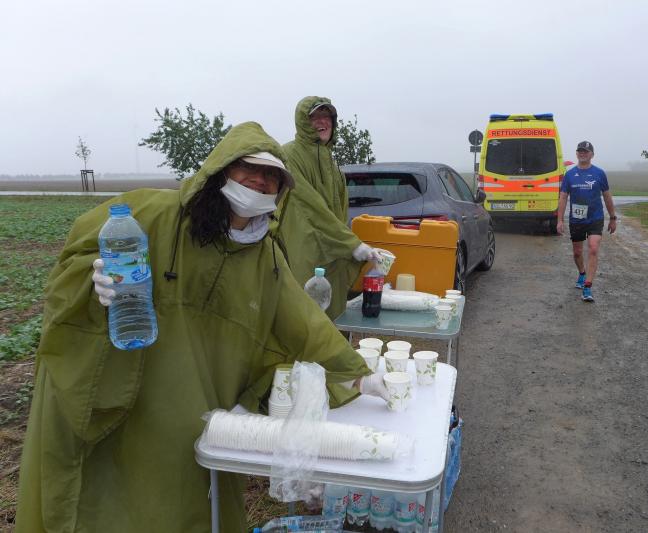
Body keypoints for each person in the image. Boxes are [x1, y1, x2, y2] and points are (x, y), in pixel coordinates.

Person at [16, 122, 390, 532]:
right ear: (221, 169)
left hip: (203, 400)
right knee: (111, 496)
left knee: (186, 497)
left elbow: (303, 321)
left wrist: (357, 374)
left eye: (272, 176)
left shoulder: (264, 255)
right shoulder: (152, 213)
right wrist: (92, 284)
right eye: (250, 168)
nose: (260, 181)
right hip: (133, 387)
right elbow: (72, 266)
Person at [275, 96, 377, 320]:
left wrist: (350, 248)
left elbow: (340, 214)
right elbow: (310, 207)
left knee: (336, 319)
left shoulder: (331, 162)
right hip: (304, 255)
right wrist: (351, 244)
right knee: (306, 321)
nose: (323, 121)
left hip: (333, 255)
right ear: (303, 122)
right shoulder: (289, 155)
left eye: (327, 116)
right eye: (315, 117)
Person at [556, 141, 618, 302]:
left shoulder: (599, 173)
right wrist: (560, 220)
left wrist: (612, 218)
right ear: (577, 154)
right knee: (577, 252)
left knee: (593, 248)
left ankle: (588, 287)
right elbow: (563, 198)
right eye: (580, 151)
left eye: (586, 151)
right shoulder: (569, 175)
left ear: (592, 154)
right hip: (577, 220)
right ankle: (582, 273)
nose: (582, 153)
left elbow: (607, 196)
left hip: (595, 218)